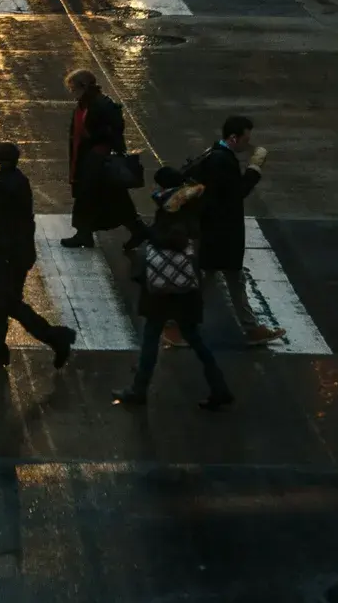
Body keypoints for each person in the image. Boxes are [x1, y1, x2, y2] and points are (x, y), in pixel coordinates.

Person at [114, 169, 233, 410]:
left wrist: (149, 234)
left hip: (165, 287)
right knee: (194, 339)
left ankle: (139, 390)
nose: (154, 190)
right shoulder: (186, 206)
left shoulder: (175, 211)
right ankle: (219, 387)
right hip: (183, 288)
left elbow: (175, 239)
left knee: (151, 337)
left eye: (157, 186)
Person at [0, 142, 76, 371]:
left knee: (3, 301)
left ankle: (54, 337)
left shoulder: (4, 185)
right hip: (14, 253)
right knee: (1, 301)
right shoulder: (16, 180)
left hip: (9, 254)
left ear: (0, 162)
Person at [192, 113, 281, 345]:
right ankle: (175, 325)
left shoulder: (215, 154)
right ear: (233, 138)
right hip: (220, 232)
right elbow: (236, 194)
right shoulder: (223, 161)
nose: (247, 144)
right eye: (245, 139)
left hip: (218, 231)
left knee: (230, 279)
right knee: (206, 281)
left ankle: (251, 329)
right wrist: (254, 170)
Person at [61, 68, 144, 250]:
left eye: (74, 88)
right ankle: (86, 233)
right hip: (90, 159)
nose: (72, 93)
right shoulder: (87, 103)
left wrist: (93, 137)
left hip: (97, 161)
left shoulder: (99, 104)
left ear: (83, 87)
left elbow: (113, 129)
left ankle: (85, 234)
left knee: (93, 197)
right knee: (109, 198)